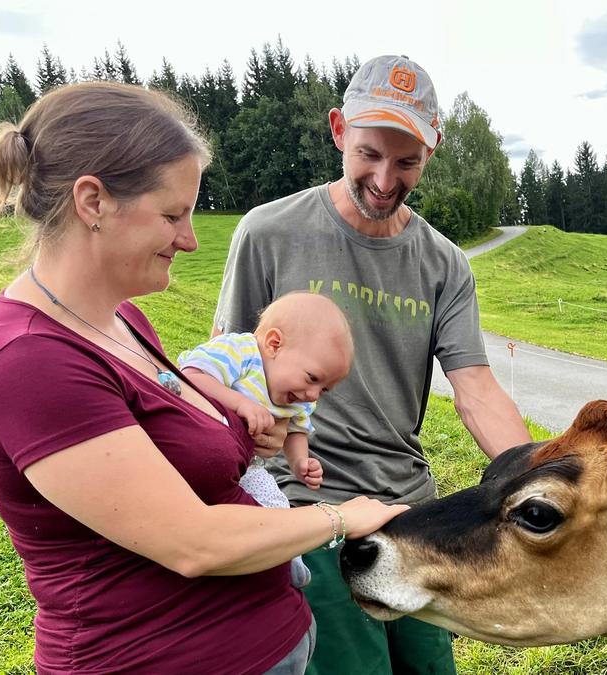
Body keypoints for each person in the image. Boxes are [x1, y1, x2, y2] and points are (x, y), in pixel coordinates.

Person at [0, 81, 407, 675]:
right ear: (92, 201)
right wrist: (343, 516)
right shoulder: (27, 362)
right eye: (172, 214)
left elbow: (168, 456)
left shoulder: (122, 320)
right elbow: (192, 542)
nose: (190, 239)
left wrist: (249, 434)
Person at [214, 55, 533, 675]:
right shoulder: (269, 233)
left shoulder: (444, 265)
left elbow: (475, 389)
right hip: (307, 506)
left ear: (430, 153)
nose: (385, 179)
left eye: (406, 161)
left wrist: (536, 482)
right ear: (338, 130)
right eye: (368, 154)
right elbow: (223, 369)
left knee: (430, 668)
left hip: (409, 512)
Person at [177, 291, 356, 587]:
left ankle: (286, 560)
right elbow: (191, 376)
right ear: (274, 344)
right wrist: (240, 404)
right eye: (312, 378)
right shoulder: (242, 352)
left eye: (324, 389)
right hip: (194, 449)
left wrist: (300, 462)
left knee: (274, 502)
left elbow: (297, 429)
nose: (313, 395)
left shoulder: (299, 396)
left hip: (250, 468)